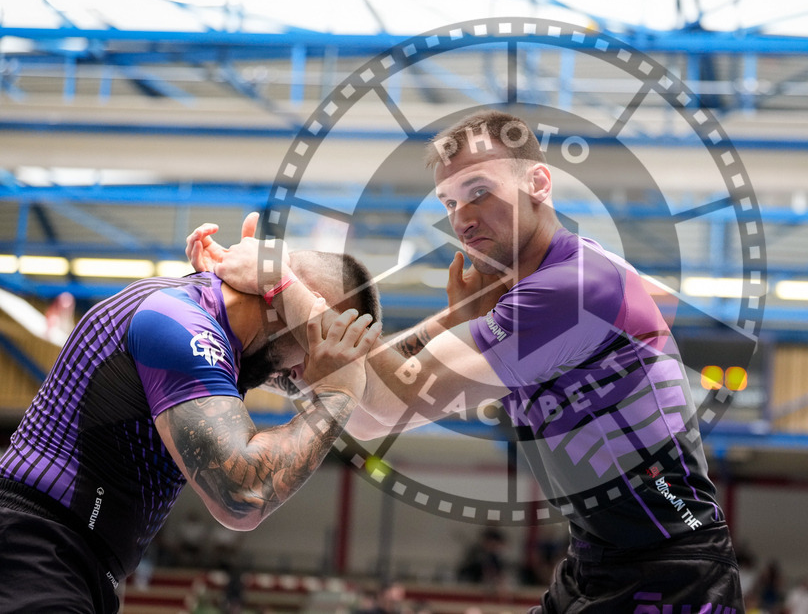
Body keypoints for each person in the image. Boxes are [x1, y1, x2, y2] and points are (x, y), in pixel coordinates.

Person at [191, 109, 744, 612]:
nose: (463, 217)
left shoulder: (573, 290)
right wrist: (289, 339)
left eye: (479, 190)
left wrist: (284, 289)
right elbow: (370, 413)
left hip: (673, 574)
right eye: (450, 203)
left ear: (538, 183)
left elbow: (394, 393)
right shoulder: (524, 299)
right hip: (601, 565)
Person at [0, 221, 382, 613]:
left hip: (62, 558)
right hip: (35, 550)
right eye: (316, 343)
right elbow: (243, 495)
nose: (303, 372)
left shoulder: (210, 330)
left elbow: (376, 407)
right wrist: (337, 394)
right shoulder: (181, 323)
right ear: (288, 304)